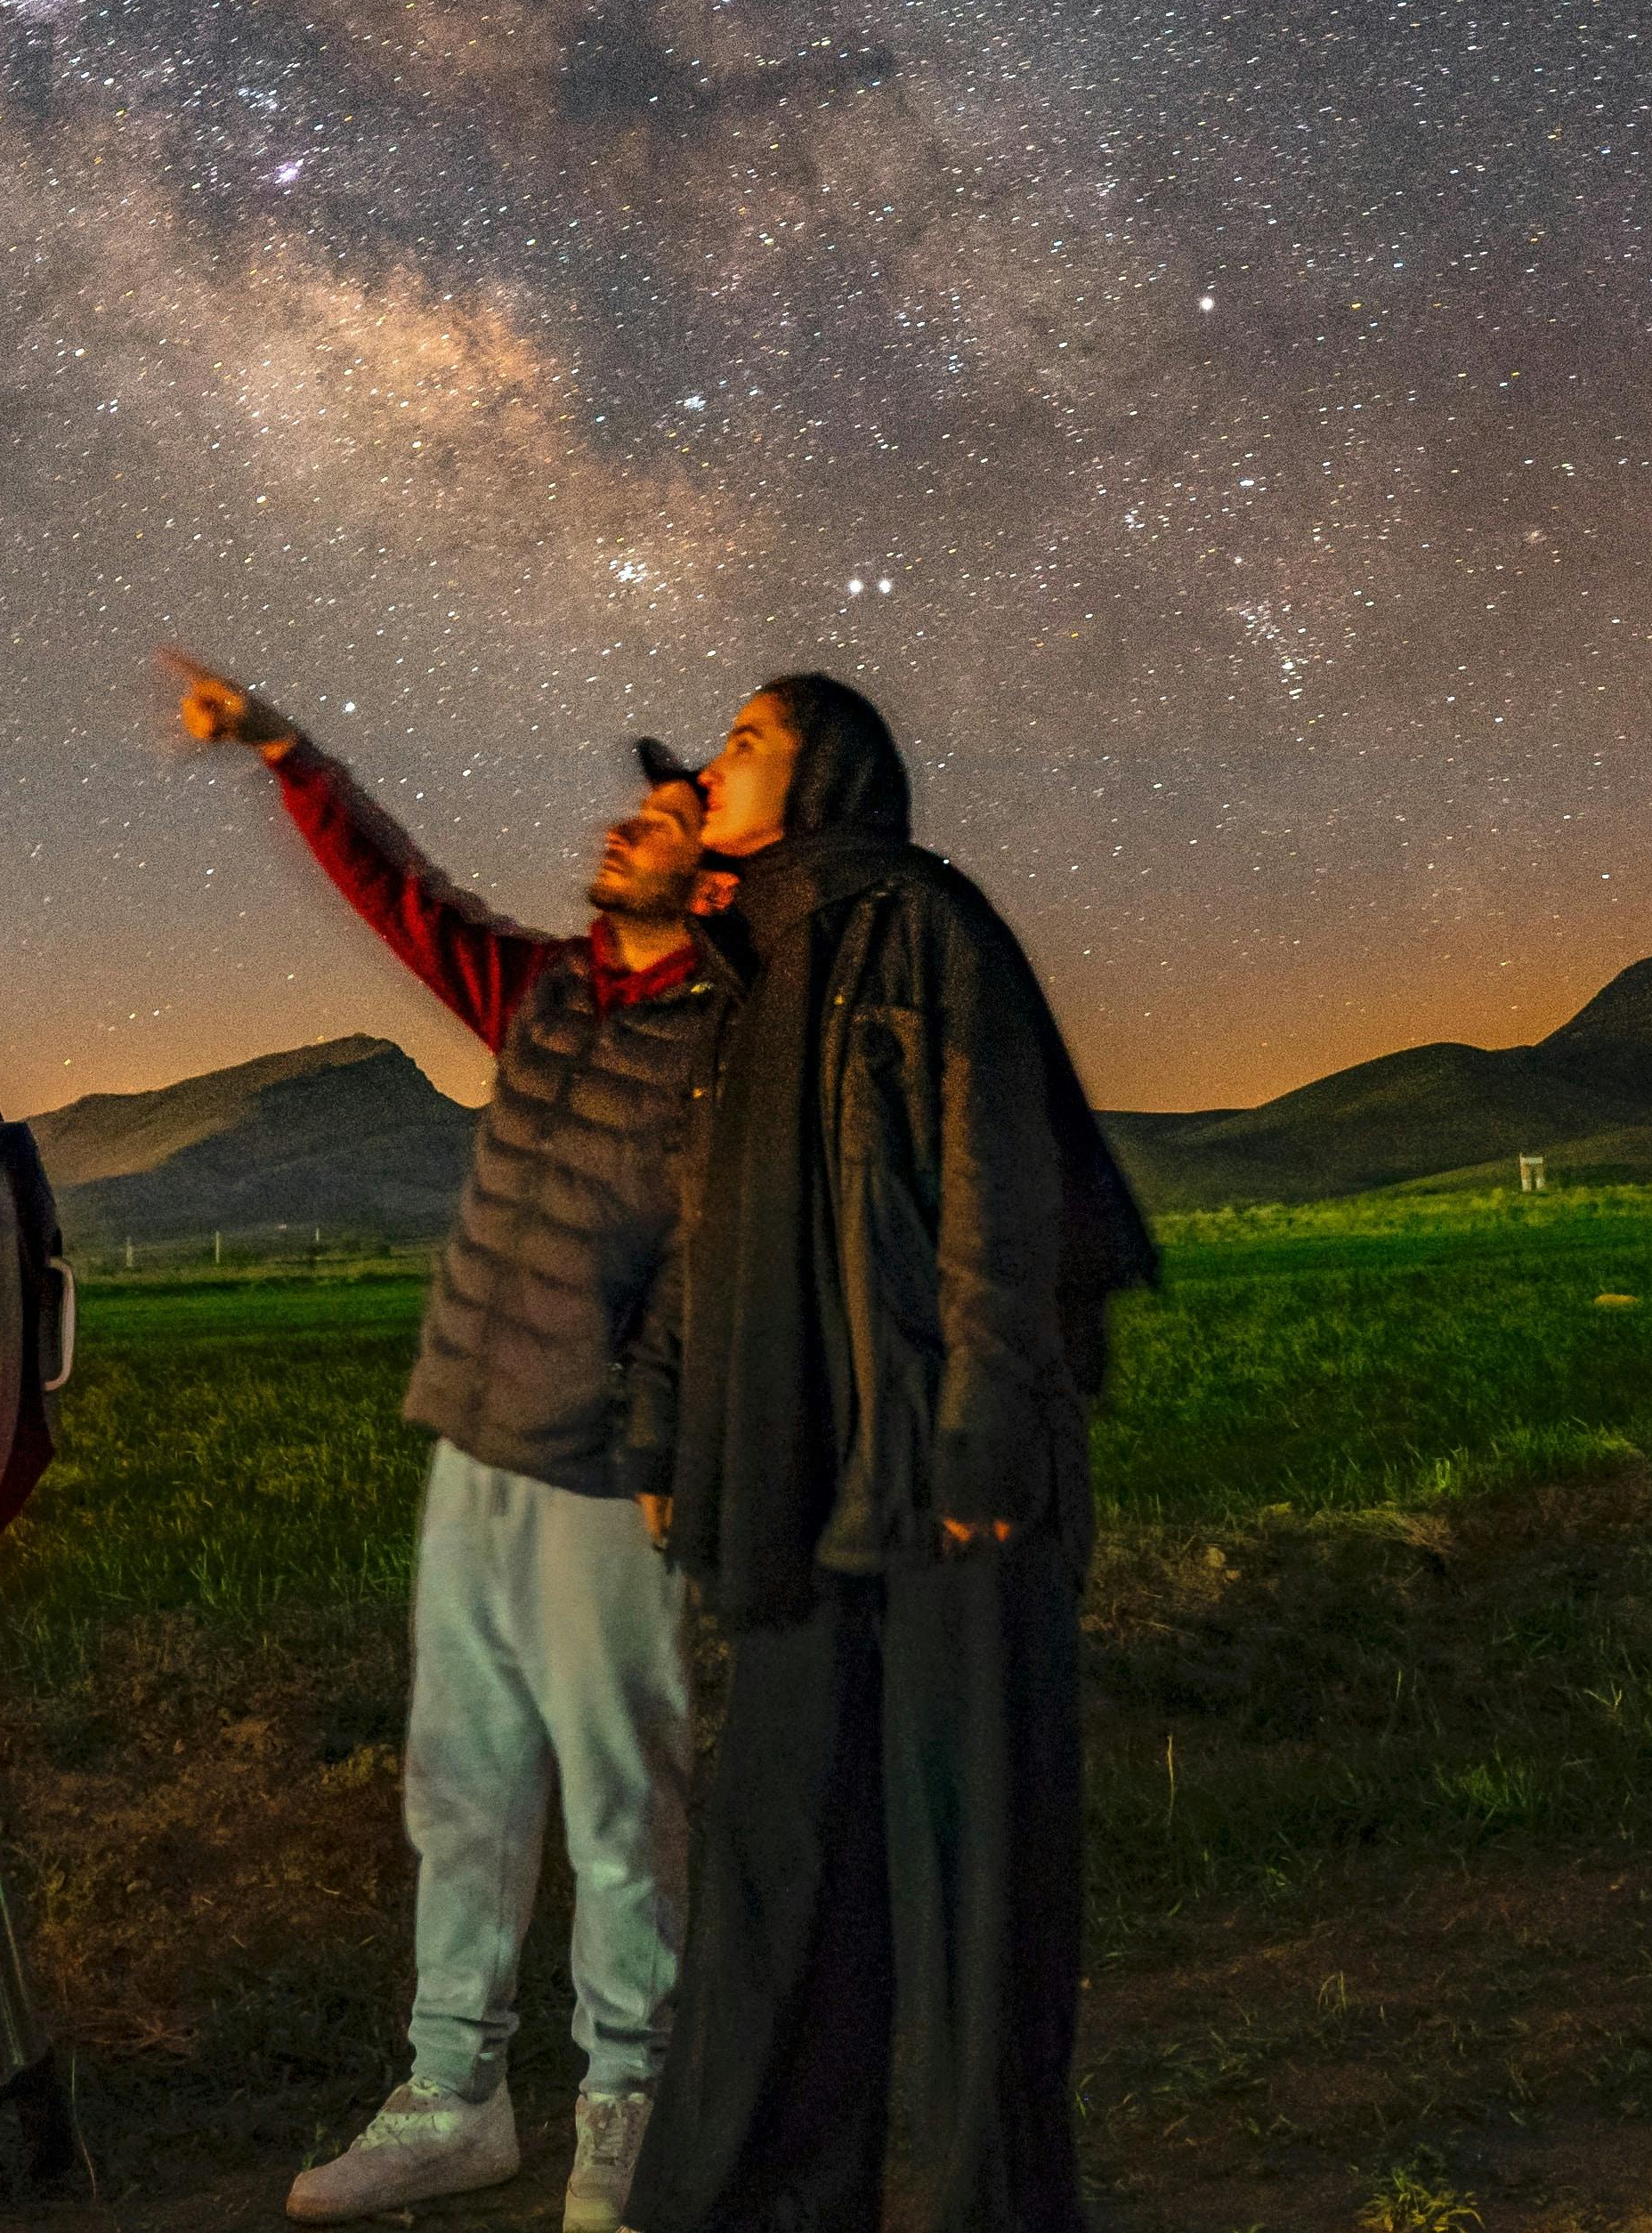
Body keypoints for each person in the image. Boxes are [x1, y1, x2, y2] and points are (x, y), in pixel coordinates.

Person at [173, 657, 731, 2233]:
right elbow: (400, 896)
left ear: (723, 867)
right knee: (462, 1789)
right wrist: (289, 749)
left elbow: (709, 1266)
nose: (625, 827)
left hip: (607, 1471)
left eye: (667, 817)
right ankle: (452, 2100)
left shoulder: (728, 1043)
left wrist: (669, 1444)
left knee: (623, 1801)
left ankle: (628, 2113)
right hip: (472, 1441)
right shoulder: (549, 987)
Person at [620, 674, 1157, 2233]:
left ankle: (984, 2206)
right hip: (794, 1480)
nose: (711, 764)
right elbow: (696, 1224)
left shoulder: (928, 927)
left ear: (828, 771)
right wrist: (666, 1418)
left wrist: (990, 1433)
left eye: (744, 741)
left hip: (943, 1478)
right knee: (782, 1868)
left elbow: (1002, 1178)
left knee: (969, 1877)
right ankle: (768, 2197)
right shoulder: (746, 969)